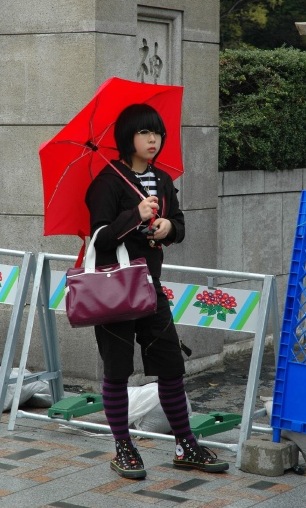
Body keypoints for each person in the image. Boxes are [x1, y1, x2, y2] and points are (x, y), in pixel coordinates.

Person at [85, 103, 229, 480]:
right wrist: (137, 215)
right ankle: (124, 447)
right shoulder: (107, 181)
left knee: (171, 367)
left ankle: (185, 444)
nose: (154, 140)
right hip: (115, 292)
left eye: (158, 134)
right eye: (145, 133)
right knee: (117, 372)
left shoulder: (162, 181)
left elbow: (179, 225)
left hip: (151, 290)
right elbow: (99, 238)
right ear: (127, 137)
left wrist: (167, 227)